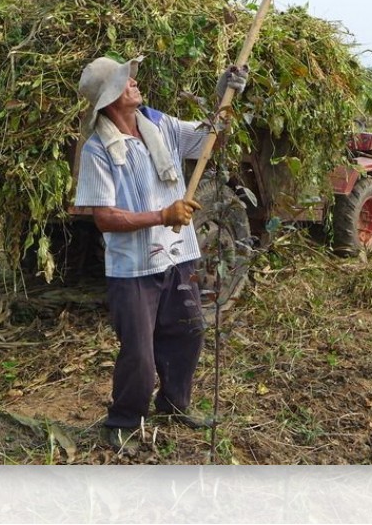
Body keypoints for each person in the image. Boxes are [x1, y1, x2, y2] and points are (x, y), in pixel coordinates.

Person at [73, 54, 246, 453]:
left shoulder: (160, 124)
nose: (134, 82)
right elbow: (105, 217)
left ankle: (173, 405)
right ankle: (122, 422)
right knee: (139, 353)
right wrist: (161, 214)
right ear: (113, 96)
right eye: (126, 81)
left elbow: (208, 137)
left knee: (188, 332)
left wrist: (227, 94)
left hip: (178, 255)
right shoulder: (99, 150)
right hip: (133, 268)